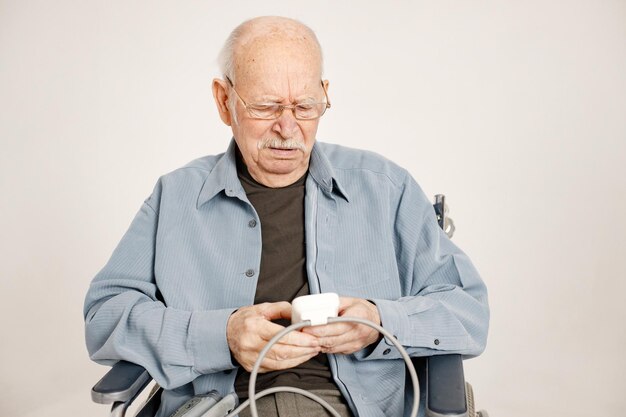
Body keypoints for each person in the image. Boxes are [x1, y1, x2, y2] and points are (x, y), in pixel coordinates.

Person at [84, 16, 489, 417]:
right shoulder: (175, 196)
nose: (287, 127)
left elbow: (467, 311)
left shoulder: (386, 188)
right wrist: (221, 336)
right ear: (224, 101)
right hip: (221, 407)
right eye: (266, 106)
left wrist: (379, 321)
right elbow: (105, 317)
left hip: (355, 407)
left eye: (305, 106)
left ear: (324, 95)